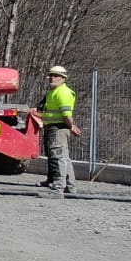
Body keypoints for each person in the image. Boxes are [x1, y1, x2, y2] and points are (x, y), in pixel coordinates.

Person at [36, 65, 80, 196]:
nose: (52, 78)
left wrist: (71, 126)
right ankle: (70, 187)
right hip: (54, 127)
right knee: (63, 158)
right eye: (51, 75)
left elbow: (66, 114)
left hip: (58, 128)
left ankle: (58, 189)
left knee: (58, 158)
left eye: (56, 76)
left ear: (63, 79)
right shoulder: (53, 92)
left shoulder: (63, 93)